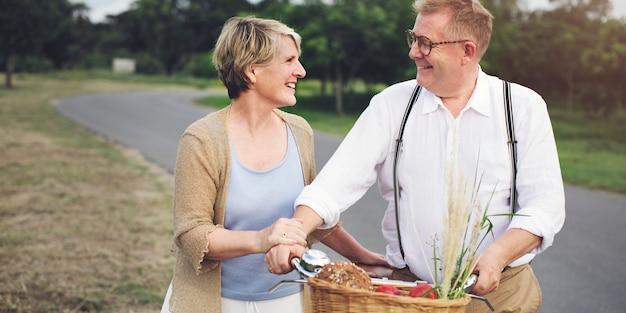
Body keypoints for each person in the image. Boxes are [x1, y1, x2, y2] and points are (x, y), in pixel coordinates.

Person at [265, 0, 566, 312]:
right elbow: (333, 185)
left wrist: (497, 255)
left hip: (499, 292)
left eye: (426, 43)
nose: (413, 51)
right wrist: (295, 231)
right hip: (410, 293)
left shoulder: (523, 107)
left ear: (467, 51)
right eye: (413, 38)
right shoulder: (392, 105)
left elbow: (545, 206)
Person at [160, 16, 387, 313]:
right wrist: (261, 239)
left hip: (287, 300)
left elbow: (310, 216)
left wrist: (361, 257)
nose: (301, 71)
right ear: (252, 70)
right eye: (289, 60)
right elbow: (192, 235)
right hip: (217, 301)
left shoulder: (299, 131)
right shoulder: (202, 139)